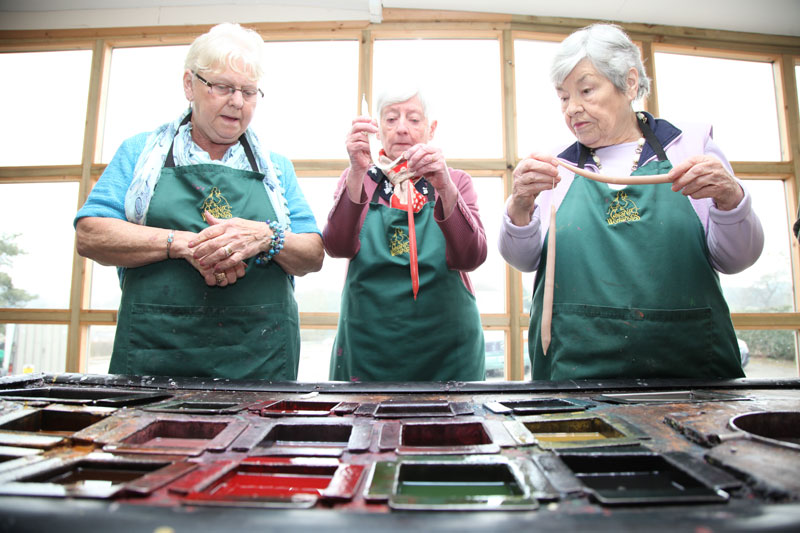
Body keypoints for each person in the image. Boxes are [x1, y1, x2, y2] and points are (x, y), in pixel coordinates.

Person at [498, 23, 764, 380]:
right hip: (576, 371)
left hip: (689, 374)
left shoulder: (691, 147)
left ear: (630, 83)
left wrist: (731, 198)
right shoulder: (555, 168)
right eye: (563, 97)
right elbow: (523, 260)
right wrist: (519, 204)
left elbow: (737, 258)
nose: (572, 108)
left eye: (586, 90)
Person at [74, 23, 323, 380]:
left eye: (249, 91)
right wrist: (185, 244)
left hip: (258, 362)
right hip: (155, 357)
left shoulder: (276, 169)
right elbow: (91, 235)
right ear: (189, 84)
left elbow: (312, 254)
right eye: (222, 86)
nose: (236, 102)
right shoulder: (141, 154)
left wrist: (266, 237)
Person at [324, 87, 486, 381]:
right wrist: (356, 172)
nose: (401, 128)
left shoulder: (456, 181)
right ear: (377, 129)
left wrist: (445, 188)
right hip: (368, 347)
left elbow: (471, 256)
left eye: (413, 119)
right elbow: (336, 246)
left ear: (431, 129)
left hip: (449, 349)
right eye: (390, 119)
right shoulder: (359, 178)